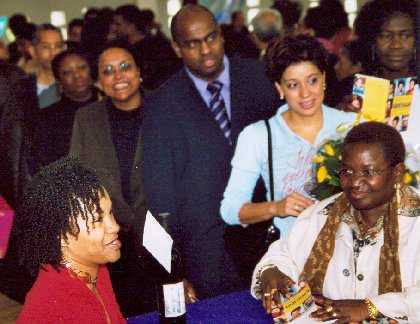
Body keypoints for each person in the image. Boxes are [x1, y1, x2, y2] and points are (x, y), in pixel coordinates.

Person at [141, 4, 280, 300]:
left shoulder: (263, 79)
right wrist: (172, 269)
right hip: (206, 252)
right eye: (192, 44)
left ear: (222, 36)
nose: (206, 50)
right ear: (177, 48)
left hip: (272, 237)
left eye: (211, 38)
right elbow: (159, 197)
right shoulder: (161, 104)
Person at [252, 122, 420, 322]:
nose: (355, 182)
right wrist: (271, 271)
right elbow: (284, 255)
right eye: (348, 171)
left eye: (368, 172)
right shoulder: (321, 214)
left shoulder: (415, 220)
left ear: (398, 172)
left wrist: (371, 307)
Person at [221, 34, 358, 240]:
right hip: (292, 256)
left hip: (350, 250)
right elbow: (230, 211)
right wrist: (276, 207)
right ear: (280, 88)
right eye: (293, 85)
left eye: (312, 80)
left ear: (324, 78)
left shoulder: (352, 125)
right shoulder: (258, 136)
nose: (305, 94)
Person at [69, 43, 150, 316]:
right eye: (108, 71)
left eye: (125, 67)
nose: (119, 76)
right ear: (98, 82)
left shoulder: (164, 109)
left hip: (162, 233)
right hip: (109, 241)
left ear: (139, 72)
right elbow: (78, 178)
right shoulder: (87, 119)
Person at [15, 156, 125, 323]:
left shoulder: (98, 272)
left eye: (110, 213)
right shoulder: (52, 305)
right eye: (97, 219)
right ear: (62, 236)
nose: (115, 226)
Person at [338, 0, 416, 112]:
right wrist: (339, 117)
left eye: (405, 36)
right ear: (372, 41)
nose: (396, 45)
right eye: (386, 36)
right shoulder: (349, 89)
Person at [30, 49, 99, 175]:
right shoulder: (49, 117)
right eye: (67, 72)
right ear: (59, 81)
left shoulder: (109, 103)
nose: (77, 75)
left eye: (82, 68)